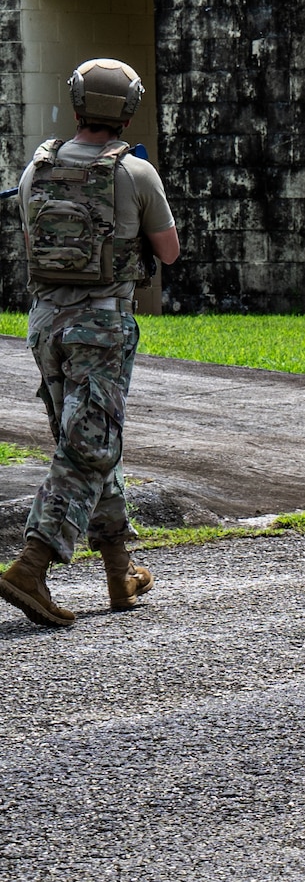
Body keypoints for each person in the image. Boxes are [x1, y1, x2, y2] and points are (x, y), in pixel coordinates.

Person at [0, 58, 180, 629]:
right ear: (127, 110)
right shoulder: (135, 173)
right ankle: (31, 566)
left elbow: (33, 241)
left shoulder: (37, 169)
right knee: (90, 448)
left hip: (46, 324)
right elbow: (170, 252)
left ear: (76, 103)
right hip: (100, 327)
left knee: (90, 441)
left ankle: (120, 570)